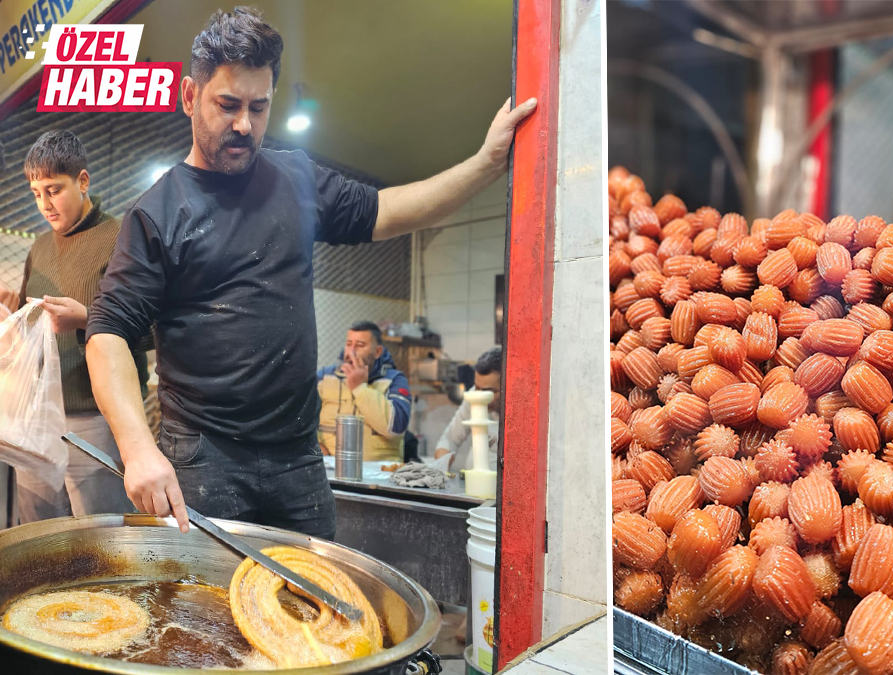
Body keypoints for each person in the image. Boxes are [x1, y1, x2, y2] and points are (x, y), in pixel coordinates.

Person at [84, 7, 535, 539]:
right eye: (227, 105)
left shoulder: (295, 177)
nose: (244, 124)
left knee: (312, 607)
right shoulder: (157, 213)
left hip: (297, 458)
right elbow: (107, 332)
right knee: (210, 614)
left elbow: (389, 210)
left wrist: (485, 162)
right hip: (205, 455)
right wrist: (139, 448)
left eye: (259, 106)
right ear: (189, 98)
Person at [3, 130, 147, 523]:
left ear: (82, 181)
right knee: (39, 530)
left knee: (98, 532)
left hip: (95, 417)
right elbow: (32, 319)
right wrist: (10, 308)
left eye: (54, 189)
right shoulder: (40, 246)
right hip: (38, 415)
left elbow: (149, 329)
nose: (44, 205)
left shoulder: (119, 238)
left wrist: (85, 318)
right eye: (35, 193)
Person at [316, 321, 411, 462]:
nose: (352, 351)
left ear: (377, 352)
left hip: (379, 476)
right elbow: (297, 421)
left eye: (360, 345)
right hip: (329, 471)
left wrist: (360, 388)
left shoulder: (394, 380)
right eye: (349, 344)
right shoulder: (324, 377)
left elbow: (396, 427)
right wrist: (314, 447)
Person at [435, 347, 502, 472]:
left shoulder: (523, 409)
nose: (480, 396)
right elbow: (450, 439)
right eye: (477, 387)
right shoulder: (474, 397)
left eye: (488, 391)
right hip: (472, 487)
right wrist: (440, 469)